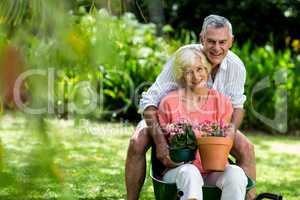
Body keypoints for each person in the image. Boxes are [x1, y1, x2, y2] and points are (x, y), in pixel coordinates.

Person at [125, 14, 256, 200]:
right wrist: (161, 142)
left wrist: (229, 133)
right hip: (169, 115)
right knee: (137, 141)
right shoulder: (185, 57)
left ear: (231, 41)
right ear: (202, 38)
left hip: (212, 123)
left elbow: (237, 106)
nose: (217, 48)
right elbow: (150, 99)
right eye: (211, 41)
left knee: (246, 148)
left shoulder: (236, 67)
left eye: (222, 42)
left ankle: (249, 197)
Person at [158, 47, 248, 200]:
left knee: (236, 174)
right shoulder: (169, 103)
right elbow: (165, 146)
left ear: (207, 70)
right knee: (190, 172)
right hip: (180, 170)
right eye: (188, 72)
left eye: (200, 69)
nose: (195, 76)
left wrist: (198, 136)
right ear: (181, 75)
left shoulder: (221, 102)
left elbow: (223, 140)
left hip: (214, 169)